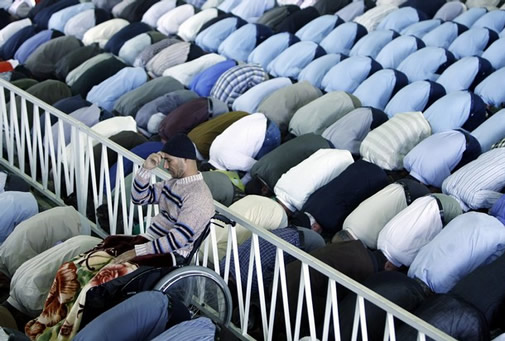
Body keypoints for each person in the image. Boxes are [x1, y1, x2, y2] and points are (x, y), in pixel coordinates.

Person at [114, 133, 215, 264]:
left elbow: (177, 240)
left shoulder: (199, 196)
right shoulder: (173, 183)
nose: (165, 166)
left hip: (171, 253)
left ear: (185, 159)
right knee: (102, 252)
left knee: (110, 270)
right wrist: (146, 169)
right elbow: (139, 198)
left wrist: (136, 251)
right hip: (152, 242)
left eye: (169, 160)